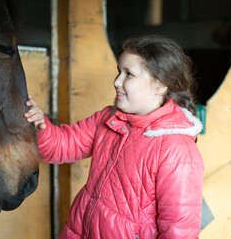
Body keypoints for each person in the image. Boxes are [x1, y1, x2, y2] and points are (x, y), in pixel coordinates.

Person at [24, 34, 204, 239]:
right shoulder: (108, 119)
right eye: (119, 72)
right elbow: (61, 147)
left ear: (160, 84)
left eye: (129, 74)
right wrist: (41, 125)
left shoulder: (177, 150)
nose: (117, 82)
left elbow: (179, 231)